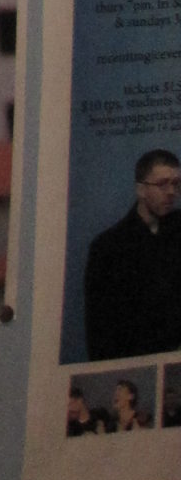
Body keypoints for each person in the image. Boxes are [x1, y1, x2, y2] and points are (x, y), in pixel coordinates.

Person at [83, 148, 181, 362]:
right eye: (163, 184)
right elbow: (101, 334)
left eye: (176, 184)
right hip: (140, 359)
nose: (172, 191)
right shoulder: (108, 248)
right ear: (141, 190)